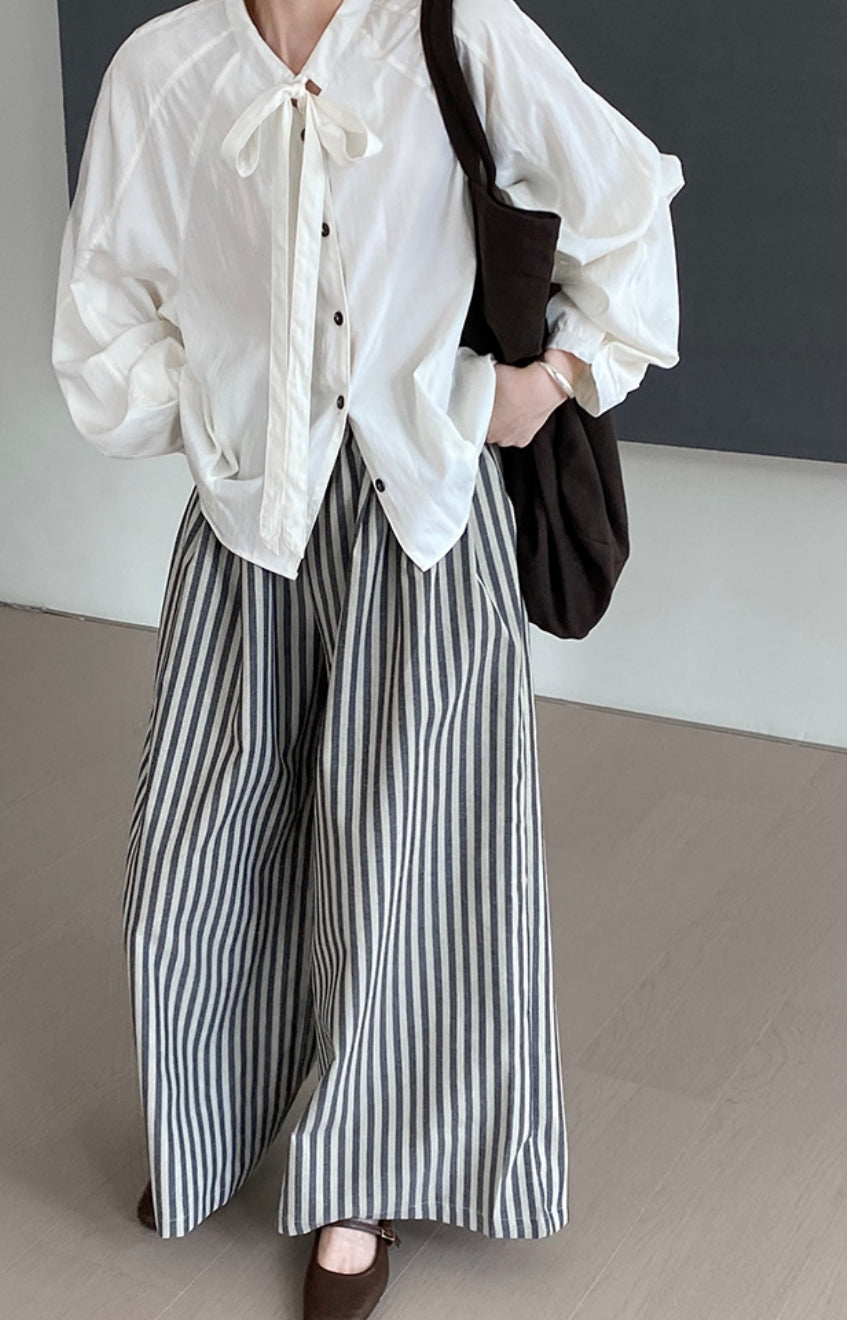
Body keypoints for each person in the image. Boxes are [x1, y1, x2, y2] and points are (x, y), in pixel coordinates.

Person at [50, 0, 683, 1314]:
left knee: (407, 859)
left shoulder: (460, 30)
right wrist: (221, 415)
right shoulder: (163, 68)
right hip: (247, 517)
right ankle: (213, 1116)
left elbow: (625, 203)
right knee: (195, 846)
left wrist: (544, 383)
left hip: (425, 515)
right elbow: (104, 307)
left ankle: (364, 1179)